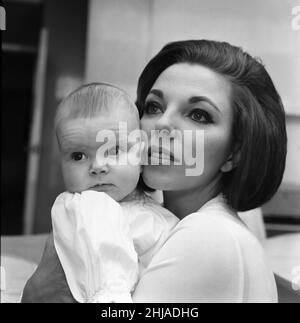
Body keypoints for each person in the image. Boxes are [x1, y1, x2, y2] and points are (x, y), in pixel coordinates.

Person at [22, 40, 287, 303]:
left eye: (198, 115)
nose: (161, 124)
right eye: (153, 107)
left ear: (234, 153)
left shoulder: (209, 234)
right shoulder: (158, 221)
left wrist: (33, 296)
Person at [48, 83, 179, 302]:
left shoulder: (146, 208)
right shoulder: (87, 208)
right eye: (78, 156)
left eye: (114, 150)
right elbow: (107, 283)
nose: (98, 166)